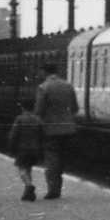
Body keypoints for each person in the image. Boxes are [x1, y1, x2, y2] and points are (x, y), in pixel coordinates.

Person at [34, 62, 79, 199]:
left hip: (51, 129)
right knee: (61, 158)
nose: (39, 74)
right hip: (68, 129)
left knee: (51, 159)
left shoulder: (43, 87)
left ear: (44, 72)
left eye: (40, 71)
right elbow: (75, 108)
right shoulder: (68, 86)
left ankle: (53, 190)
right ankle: (57, 187)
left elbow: (38, 110)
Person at [7, 97, 46, 201]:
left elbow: (13, 135)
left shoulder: (20, 119)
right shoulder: (38, 119)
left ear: (23, 108)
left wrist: (11, 147)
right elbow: (43, 135)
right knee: (28, 169)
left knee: (22, 169)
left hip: (22, 148)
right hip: (35, 149)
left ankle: (29, 186)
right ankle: (28, 194)